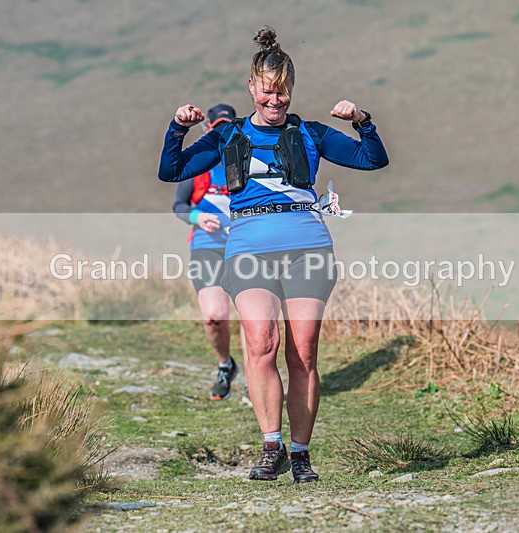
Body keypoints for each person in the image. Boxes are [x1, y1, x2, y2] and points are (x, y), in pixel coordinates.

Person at [159, 26, 388, 483]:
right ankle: (271, 446)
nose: (275, 101)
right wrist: (177, 128)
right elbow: (172, 171)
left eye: (282, 93)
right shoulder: (228, 137)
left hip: (308, 249)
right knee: (262, 344)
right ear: (252, 87)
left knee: (303, 353)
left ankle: (301, 454)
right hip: (248, 251)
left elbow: (372, 159)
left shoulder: (312, 132)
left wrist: (362, 119)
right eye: (267, 92)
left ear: (291, 91)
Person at [171, 103, 247, 402]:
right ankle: (226, 365)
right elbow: (178, 206)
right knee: (215, 317)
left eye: (229, 127)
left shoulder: (248, 161)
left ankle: (256, 378)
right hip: (206, 245)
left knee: (253, 318)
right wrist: (197, 218)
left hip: (244, 246)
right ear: (208, 130)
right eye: (218, 128)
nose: (224, 133)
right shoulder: (198, 163)